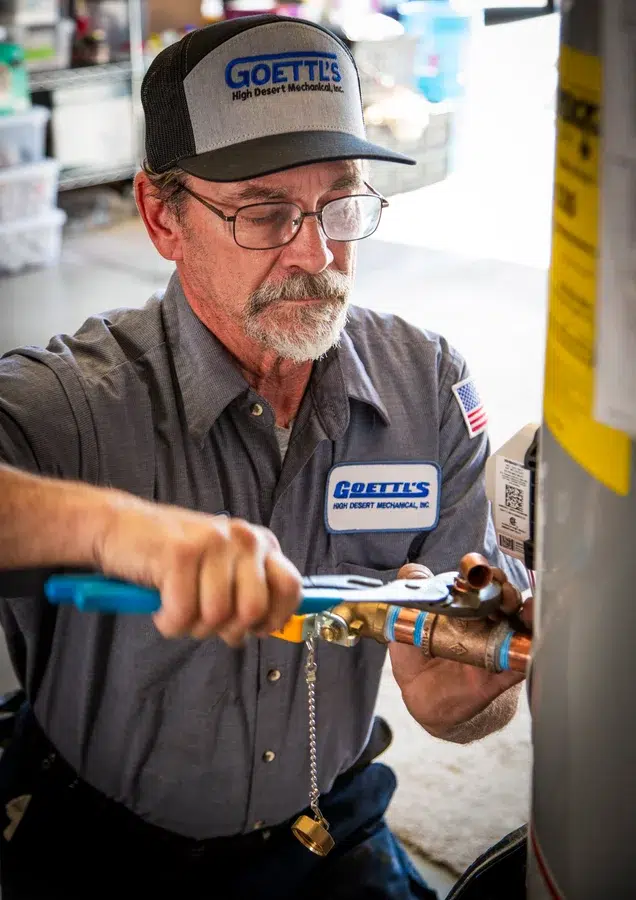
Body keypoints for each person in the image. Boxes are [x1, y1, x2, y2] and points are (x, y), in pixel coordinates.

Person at [0, 14, 530, 900]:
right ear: (162, 218)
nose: (317, 254)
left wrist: (472, 687)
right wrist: (117, 530)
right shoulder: (74, 407)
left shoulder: (427, 388)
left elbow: (454, 694)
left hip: (331, 828)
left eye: (342, 201)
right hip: (101, 845)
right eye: (266, 212)